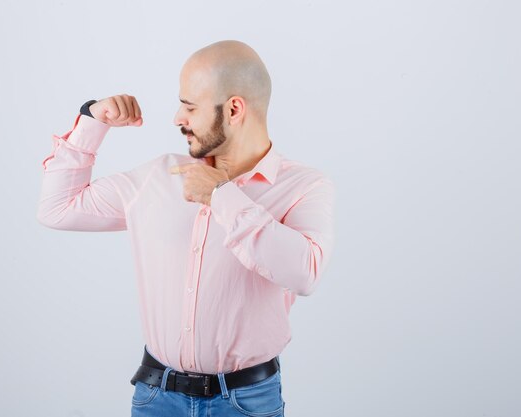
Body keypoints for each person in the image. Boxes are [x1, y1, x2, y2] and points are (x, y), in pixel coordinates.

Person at [37, 40, 335, 417]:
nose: (178, 117)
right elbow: (57, 209)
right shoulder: (159, 178)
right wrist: (92, 119)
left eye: (190, 106)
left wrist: (221, 196)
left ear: (234, 109)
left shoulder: (305, 186)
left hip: (247, 404)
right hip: (156, 397)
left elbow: (305, 273)